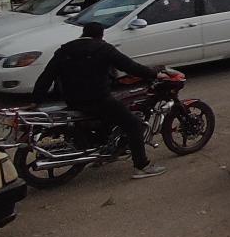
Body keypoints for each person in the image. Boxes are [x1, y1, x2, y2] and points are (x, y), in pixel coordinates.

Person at [31, 22, 170, 179]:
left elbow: (47, 75)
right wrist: (155, 74)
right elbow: (130, 66)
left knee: (108, 119)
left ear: (83, 33)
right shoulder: (103, 48)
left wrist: (36, 100)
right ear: (101, 35)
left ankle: (104, 152)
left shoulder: (65, 50)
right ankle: (142, 166)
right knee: (134, 124)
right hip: (98, 99)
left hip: (73, 101)